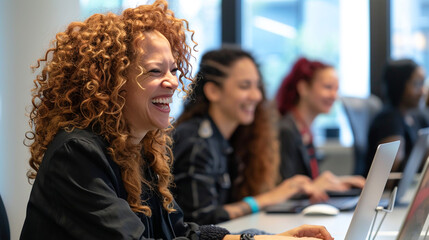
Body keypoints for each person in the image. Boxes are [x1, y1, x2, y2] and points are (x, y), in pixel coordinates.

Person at [19, 1, 334, 240]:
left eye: (173, 69)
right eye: (156, 71)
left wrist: (264, 239)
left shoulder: (141, 149)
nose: (172, 82)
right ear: (111, 83)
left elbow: (181, 231)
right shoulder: (77, 153)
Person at [172, 48, 328, 226]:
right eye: (245, 86)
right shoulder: (195, 141)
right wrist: (267, 199)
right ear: (213, 91)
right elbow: (200, 220)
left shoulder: (231, 139)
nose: (257, 96)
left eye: (257, 86)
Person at [275, 57, 365, 193]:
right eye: (328, 87)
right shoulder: (286, 131)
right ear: (303, 88)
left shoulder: (304, 129)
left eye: (336, 89)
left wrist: (338, 181)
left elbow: (309, 183)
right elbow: (285, 190)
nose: (334, 96)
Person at [366, 59, 426, 176]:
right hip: (386, 193)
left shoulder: (417, 117)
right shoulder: (389, 120)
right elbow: (390, 176)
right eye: (417, 84)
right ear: (399, 84)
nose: (422, 91)